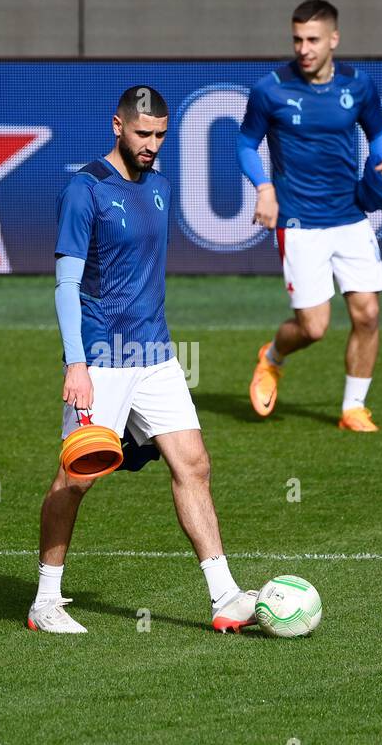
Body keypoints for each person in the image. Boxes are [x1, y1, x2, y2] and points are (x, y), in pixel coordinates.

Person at [30, 85, 259, 634]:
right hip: (102, 358)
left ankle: (224, 596)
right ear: (117, 126)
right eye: (142, 134)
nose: (152, 144)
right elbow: (66, 284)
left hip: (155, 355)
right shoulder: (84, 191)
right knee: (75, 479)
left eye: (160, 135)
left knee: (194, 464)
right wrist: (75, 363)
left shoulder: (160, 187)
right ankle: (45, 600)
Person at [238, 0, 382, 432]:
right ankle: (271, 358)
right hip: (299, 223)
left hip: (349, 217)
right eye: (297, 39)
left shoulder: (359, 85)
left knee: (367, 313)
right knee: (313, 328)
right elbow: (245, 144)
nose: (303, 48)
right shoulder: (270, 89)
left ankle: (353, 409)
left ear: (333, 39)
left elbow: (379, 133)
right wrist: (265, 189)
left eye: (312, 39)